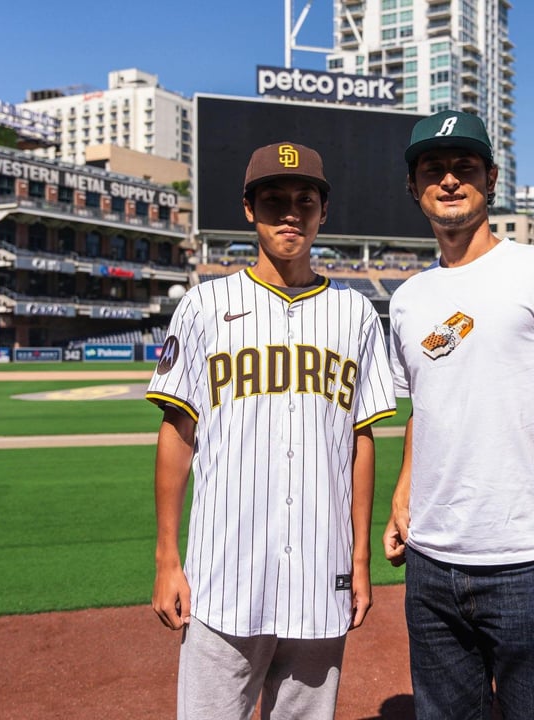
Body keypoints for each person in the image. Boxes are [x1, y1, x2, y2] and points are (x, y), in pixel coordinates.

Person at [147, 141, 396, 720]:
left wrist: (359, 559)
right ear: (248, 209)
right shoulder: (205, 306)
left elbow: (362, 440)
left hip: (321, 572)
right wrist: (166, 556)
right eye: (273, 200)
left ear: (323, 211)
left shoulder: (356, 313)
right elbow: (177, 432)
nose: (290, 213)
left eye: (304, 200)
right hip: (222, 574)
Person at [383, 110, 534, 719]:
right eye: (434, 169)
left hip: (525, 564)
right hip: (430, 565)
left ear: (490, 176)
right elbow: (422, 409)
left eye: (465, 167)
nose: (450, 180)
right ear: (414, 187)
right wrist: (403, 495)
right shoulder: (407, 299)